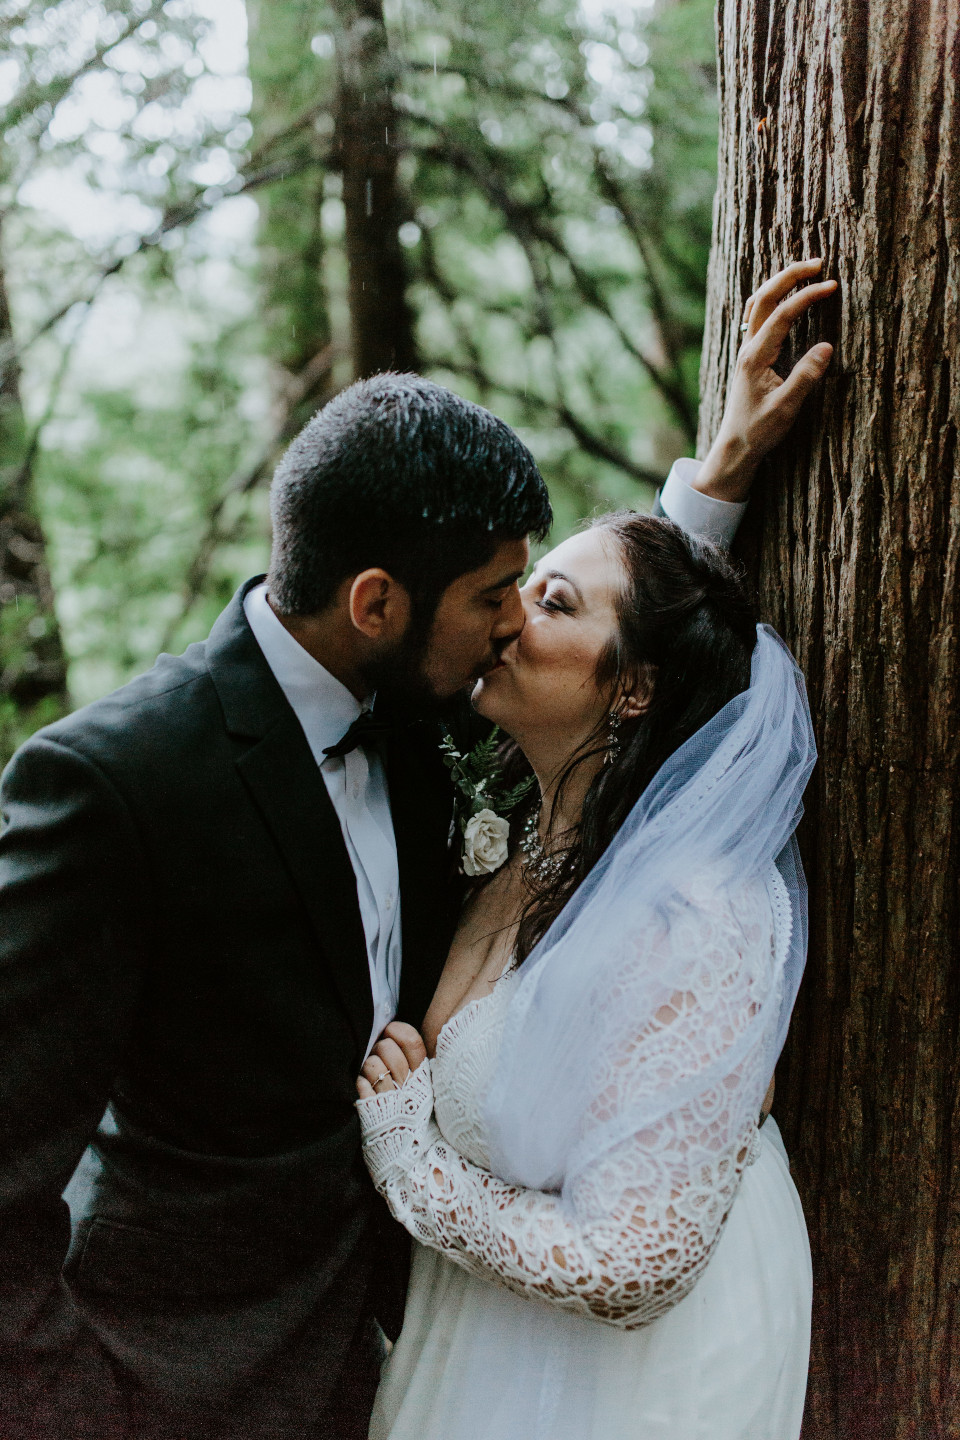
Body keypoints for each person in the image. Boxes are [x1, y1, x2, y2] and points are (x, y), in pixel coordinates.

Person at [0, 262, 833, 1440]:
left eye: (529, 596)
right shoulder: (113, 783)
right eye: (498, 595)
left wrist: (717, 485)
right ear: (378, 603)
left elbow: (621, 682)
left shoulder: (435, 705)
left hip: (417, 1361)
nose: (510, 625)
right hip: (183, 1381)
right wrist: (66, 1412)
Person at [355, 265, 834, 1440]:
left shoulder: (696, 915)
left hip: (639, 1380)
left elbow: (633, 1262)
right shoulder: (531, 823)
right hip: (485, 1340)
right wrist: (711, 484)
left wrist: (407, 1159)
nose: (509, 616)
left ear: (632, 696)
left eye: (547, 600)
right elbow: (631, 627)